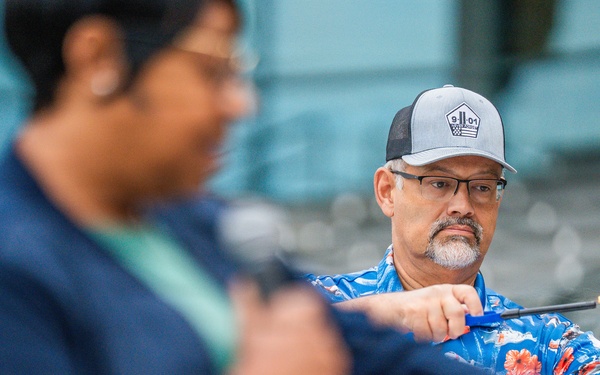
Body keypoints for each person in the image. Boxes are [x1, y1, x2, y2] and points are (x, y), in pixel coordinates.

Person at [0, 1, 488, 374]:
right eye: (212, 71)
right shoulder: (16, 274)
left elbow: (362, 348)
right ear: (98, 57)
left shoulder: (197, 227)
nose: (239, 104)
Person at [307, 84, 600, 374]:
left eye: (483, 186)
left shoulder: (549, 345)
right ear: (387, 191)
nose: (463, 205)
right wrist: (391, 312)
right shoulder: (309, 301)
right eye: (439, 183)